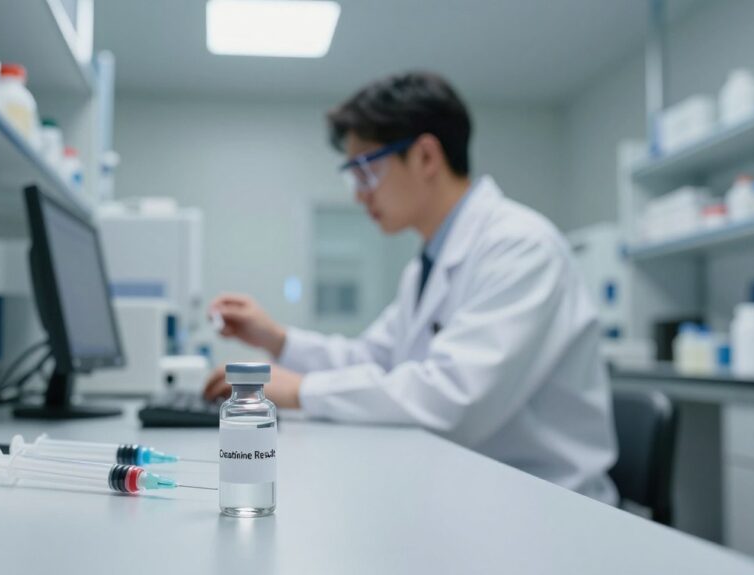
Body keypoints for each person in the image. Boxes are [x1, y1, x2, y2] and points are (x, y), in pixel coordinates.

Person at [203, 72, 618, 504]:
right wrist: (276, 339)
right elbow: (373, 359)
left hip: (546, 505)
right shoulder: (426, 266)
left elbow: (453, 398)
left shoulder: (521, 248)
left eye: (366, 170)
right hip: (470, 489)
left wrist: (298, 391)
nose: (359, 195)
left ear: (425, 157)